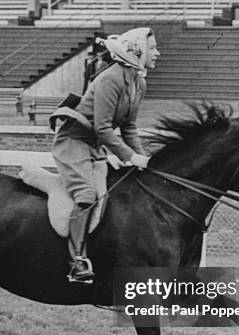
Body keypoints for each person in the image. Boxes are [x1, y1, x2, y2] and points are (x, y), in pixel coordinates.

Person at [50, 27, 160, 284]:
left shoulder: (138, 82)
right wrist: (130, 157)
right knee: (87, 194)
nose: (157, 52)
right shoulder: (111, 78)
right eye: (153, 48)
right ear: (137, 50)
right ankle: (76, 260)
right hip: (73, 143)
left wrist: (142, 159)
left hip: (96, 145)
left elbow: (129, 128)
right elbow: (103, 127)